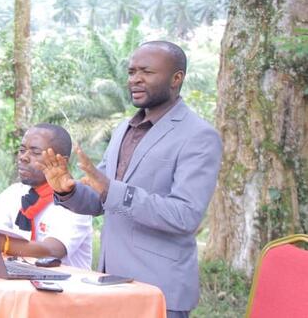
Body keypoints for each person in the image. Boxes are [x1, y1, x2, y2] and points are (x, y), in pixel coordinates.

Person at [40, 41, 222, 318]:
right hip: (111, 282)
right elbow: (100, 199)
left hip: (158, 289)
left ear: (176, 79)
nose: (135, 79)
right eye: (131, 71)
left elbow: (185, 216)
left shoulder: (199, 136)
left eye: (146, 72)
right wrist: (68, 190)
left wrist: (111, 190)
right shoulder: (124, 128)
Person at [0, 123, 93, 269]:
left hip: (63, 282)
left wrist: (3, 244)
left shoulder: (76, 203)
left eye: (35, 153)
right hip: (21, 279)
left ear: (61, 161)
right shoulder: (14, 192)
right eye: (22, 150)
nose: (23, 157)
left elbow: (53, 250)